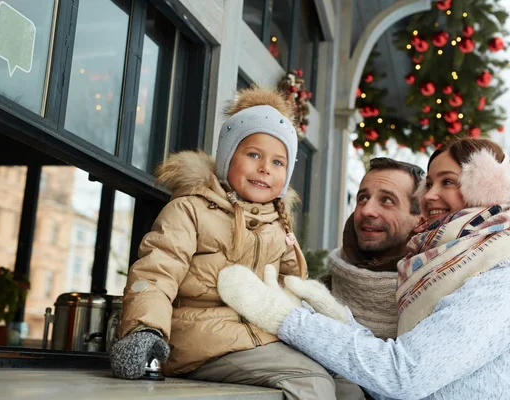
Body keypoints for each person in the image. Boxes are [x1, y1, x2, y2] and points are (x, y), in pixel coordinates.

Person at [219, 137, 510, 399]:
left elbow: (404, 375)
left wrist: (285, 318)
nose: (428, 196)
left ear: (487, 188)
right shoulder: (444, 267)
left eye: (448, 182)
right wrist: (338, 320)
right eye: (430, 183)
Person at [109, 86, 365, 399]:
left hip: (263, 339)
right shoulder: (192, 209)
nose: (264, 168)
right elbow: (156, 273)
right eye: (254, 154)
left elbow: (290, 286)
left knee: (350, 385)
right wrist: (144, 330)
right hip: (202, 344)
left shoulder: (277, 222)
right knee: (312, 383)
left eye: (278, 162)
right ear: (229, 156)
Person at [323, 158, 425, 339]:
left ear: (420, 220)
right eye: (363, 198)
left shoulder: (437, 295)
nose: (366, 210)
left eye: (387, 200)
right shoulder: (321, 288)